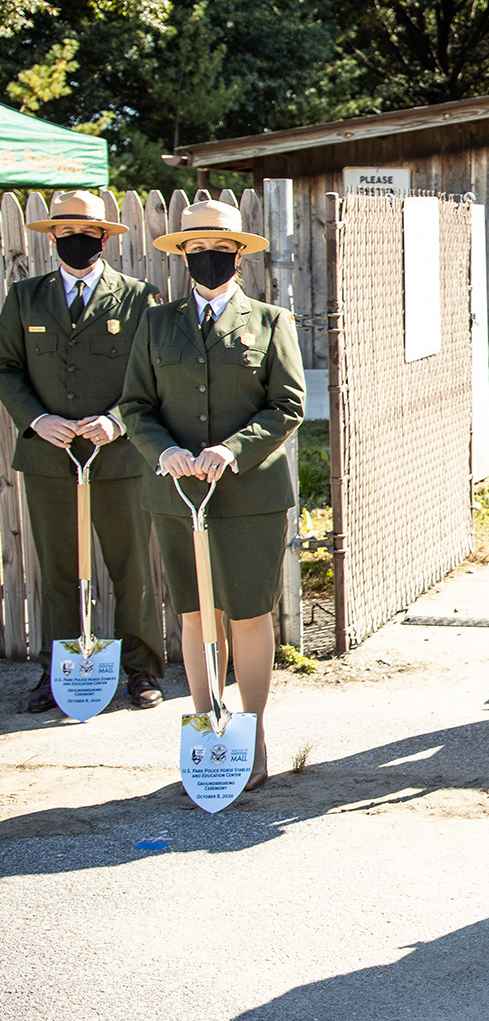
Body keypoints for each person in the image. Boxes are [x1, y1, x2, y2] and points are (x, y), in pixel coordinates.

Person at [117, 199, 304, 790]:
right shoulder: (156, 322)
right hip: (176, 492)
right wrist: (161, 450)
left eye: (220, 248)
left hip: (250, 493)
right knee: (197, 615)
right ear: (183, 256)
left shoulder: (271, 321)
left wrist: (232, 449)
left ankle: (252, 733)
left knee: (248, 613)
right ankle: (206, 726)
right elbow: (135, 405)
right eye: (196, 249)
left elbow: (288, 405)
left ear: (240, 254)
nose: (208, 257)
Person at [0, 191, 164, 713]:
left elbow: (154, 373)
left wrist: (118, 421)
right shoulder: (24, 297)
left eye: (89, 233)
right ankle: (59, 673)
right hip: (48, 457)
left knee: (131, 568)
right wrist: (37, 419)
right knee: (57, 571)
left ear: (105, 238)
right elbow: (6, 368)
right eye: (66, 232)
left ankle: (141, 670)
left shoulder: (138, 297)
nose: (78, 241)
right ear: (51, 237)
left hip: (119, 457)